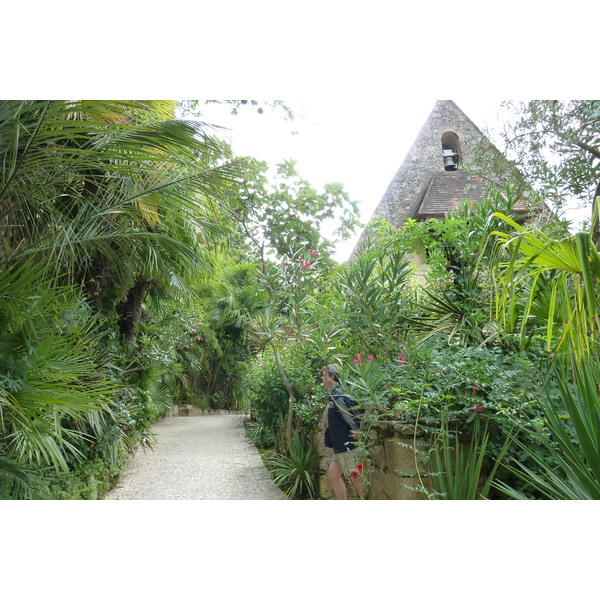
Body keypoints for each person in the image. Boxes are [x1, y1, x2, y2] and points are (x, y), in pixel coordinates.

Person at [321, 364, 362, 500]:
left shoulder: (339, 396)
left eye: (324, 375)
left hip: (347, 446)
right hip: (339, 446)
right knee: (333, 474)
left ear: (332, 376)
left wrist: (359, 439)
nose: (322, 378)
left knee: (357, 482)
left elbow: (351, 420)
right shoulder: (335, 395)